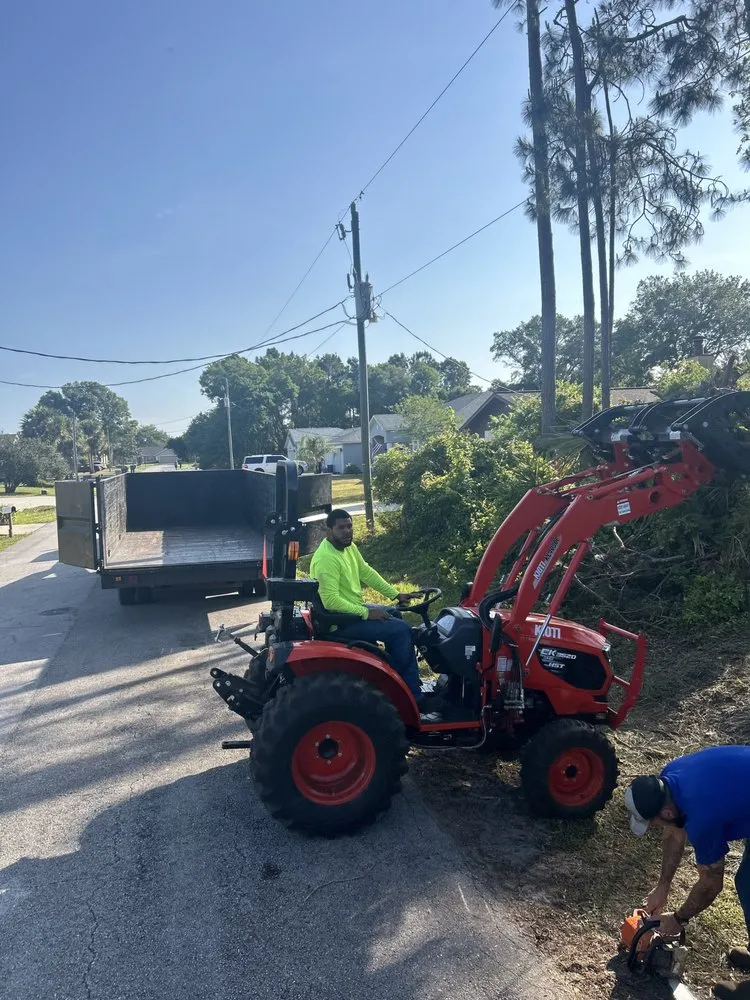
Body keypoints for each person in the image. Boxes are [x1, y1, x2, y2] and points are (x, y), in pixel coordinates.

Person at [624, 746, 750, 974]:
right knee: (747, 882)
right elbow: (674, 832)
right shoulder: (669, 778)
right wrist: (663, 886)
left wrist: (678, 918)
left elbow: (711, 885)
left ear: (666, 814)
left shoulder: (701, 818)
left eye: (654, 823)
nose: (657, 827)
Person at [310, 508, 432, 710]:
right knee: (402, 631)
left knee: (394, 613)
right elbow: (331, 601)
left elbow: (366, 571)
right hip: (339, 622)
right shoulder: (326, 559)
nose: (347, 531)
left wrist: (395, 594)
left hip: (351, 611)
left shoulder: (348, 547)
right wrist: (367, 613)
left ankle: (397, 676)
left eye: (349, 526)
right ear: (328, 531)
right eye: (341, 527)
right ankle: (413, 696)